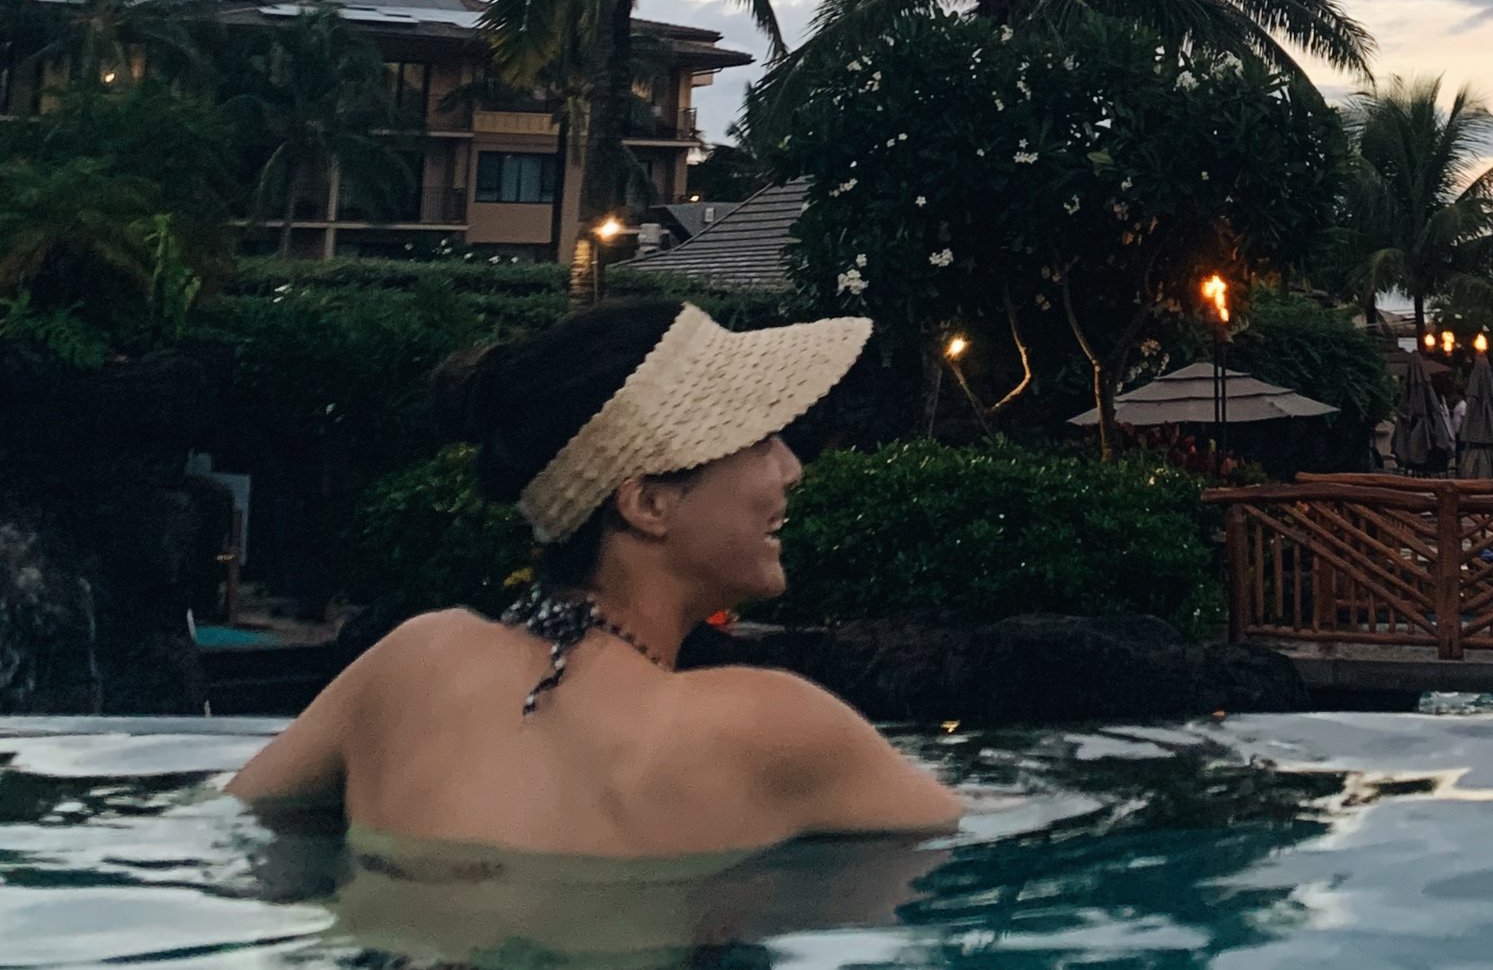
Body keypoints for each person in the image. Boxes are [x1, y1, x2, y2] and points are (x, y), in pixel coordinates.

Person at [226, 300, 962, 856]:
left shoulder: (413, 662)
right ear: (647, 504)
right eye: (759, 439)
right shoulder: (775, 727)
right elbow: (971, 843)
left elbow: (237, 822)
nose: (791, 468)